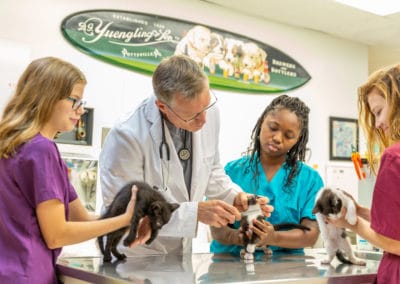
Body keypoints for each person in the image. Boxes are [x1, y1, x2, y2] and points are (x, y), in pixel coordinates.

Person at [99, 54, 273, 254]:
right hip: (135, 254)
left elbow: (212, 170)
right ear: (162, 106)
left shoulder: (208, 111)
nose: (203, 120)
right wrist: (194, 213)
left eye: (206, 107)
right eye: (192, 116)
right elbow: (125, 213)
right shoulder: (127, 135)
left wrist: (235, 197)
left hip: (180, 255)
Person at [0, 57, 150, 284]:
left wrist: (128, 220)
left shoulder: (11, 145)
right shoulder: (41, 149)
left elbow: (80, 218)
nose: (81, 110)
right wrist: (124, 220)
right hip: (27, 275)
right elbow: (57, 235)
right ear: (48, 97)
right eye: (75, 101)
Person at [210, 94, 323, 256]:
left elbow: (311, 235)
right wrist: (240, 237)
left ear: (298, 140)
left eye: (288, 135)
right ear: (262, 122)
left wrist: (273, 237)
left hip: (287, 271)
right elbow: (217, 228)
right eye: (273, 127)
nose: (277, 138)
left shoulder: (310, 180)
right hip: (230, 266)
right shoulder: (232, 171)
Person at [328, 64, 400, 283]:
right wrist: (358, 211)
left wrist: (351, 223)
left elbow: (394, 242)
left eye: (379, 111)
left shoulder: (394, 157)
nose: (377, 123)